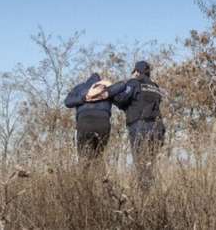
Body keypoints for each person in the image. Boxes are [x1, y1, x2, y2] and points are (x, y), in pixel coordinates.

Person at [110, 61, 165, 191]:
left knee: (140, 163)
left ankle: (144, 195)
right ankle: (151, 193)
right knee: (150, 163)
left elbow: (122, 99)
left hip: (141, 126)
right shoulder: (155, 86)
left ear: (137, 71)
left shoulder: (134, 82)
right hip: (158, 127)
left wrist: (111, 96)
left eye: (134, 72)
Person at [64, 73, 125, 161]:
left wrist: (85, 97)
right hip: (103, 124)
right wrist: (107, 92)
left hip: (84, 123)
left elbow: (67, 102)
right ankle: (97, 173)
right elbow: (122, 85)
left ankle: (85, 174)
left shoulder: (80, 87)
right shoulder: (106, 87)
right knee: (98, 156)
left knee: (84, 157)